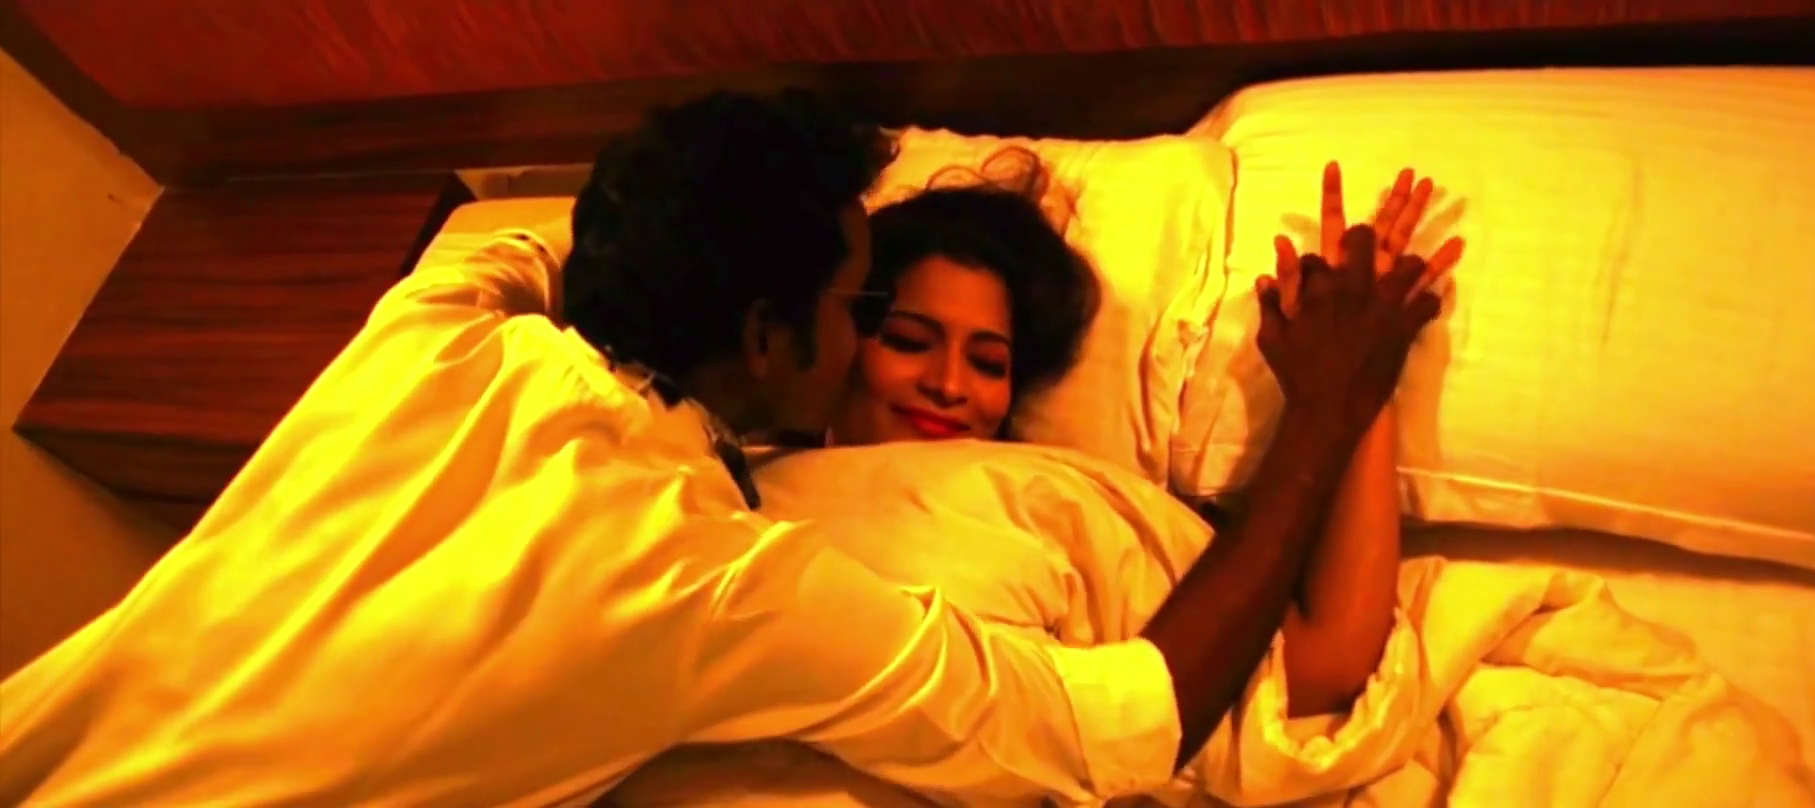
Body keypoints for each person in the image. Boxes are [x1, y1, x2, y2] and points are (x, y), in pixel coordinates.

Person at [0, 90, 1444, 807]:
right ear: (771, 341)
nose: (940, 381)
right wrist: (1333, 399)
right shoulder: (703, 576)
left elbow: (541, 244)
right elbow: (1109, 725)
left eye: (989, 358)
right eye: (867, 311)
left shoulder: (439, 329)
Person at [828, 152, 1463, 717]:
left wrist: (1358, 377)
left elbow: (1320, 665)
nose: (949, 384)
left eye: (989, 363)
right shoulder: (768, 498)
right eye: (909, 341)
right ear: (836, 335)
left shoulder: (1045, 506)